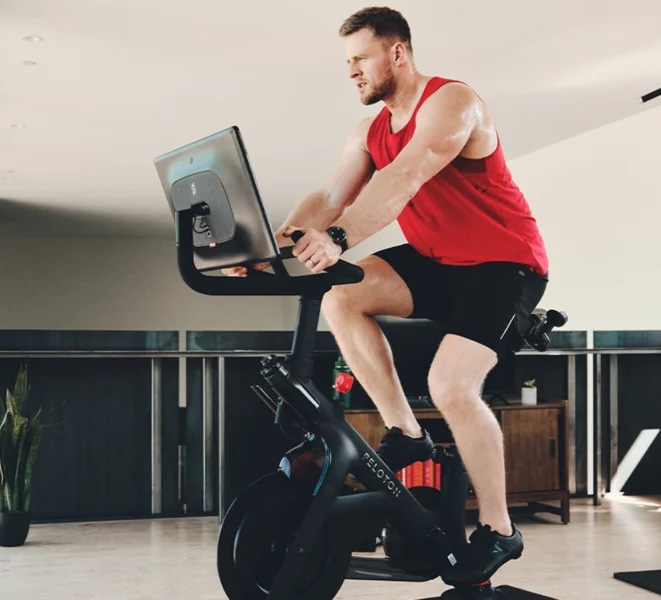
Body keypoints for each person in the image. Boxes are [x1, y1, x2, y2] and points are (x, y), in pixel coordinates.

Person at [223, 6, 549, 586]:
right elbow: (328, 195)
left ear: (397, 52)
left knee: (451, 384)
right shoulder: (368, 130)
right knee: (342, 296)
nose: (351, 72)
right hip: (436, 261)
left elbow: (404, 177)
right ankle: (406, 432)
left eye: (360, 59)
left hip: (504, 264)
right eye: (345, 62)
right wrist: (273, 251)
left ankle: (501, 530)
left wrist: (339, 238)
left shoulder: (452, 103)